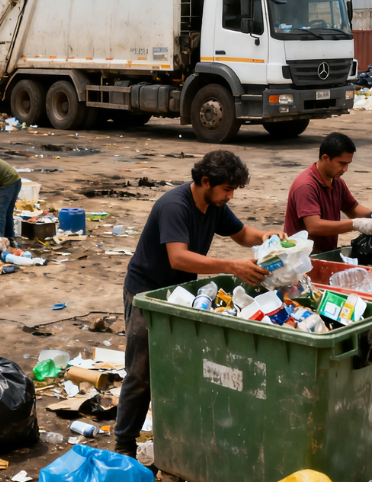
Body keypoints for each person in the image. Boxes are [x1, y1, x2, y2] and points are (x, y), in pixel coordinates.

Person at [114, 150, 286, 458]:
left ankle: (176, 437)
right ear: (206, 181)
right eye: (227, 189)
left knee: (181, 367)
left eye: (233, 190)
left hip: (180, 293)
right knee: (141, 374)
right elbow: (177, 257)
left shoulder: (215, 205)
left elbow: (243, 234)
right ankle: (124, 445)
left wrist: (268, 236)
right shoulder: (174, 206)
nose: (230, 196)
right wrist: (232, 267)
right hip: (147, 293)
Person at [284, 132, 372, 254]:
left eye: (348, 164)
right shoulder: (306, 186)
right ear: (325, 158)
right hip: (300, 258)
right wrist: (355, 224)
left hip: (324, 253)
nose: (345, 169)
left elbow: (352, 208)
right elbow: (314, 226)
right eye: (342, 163)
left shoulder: (337, 182)